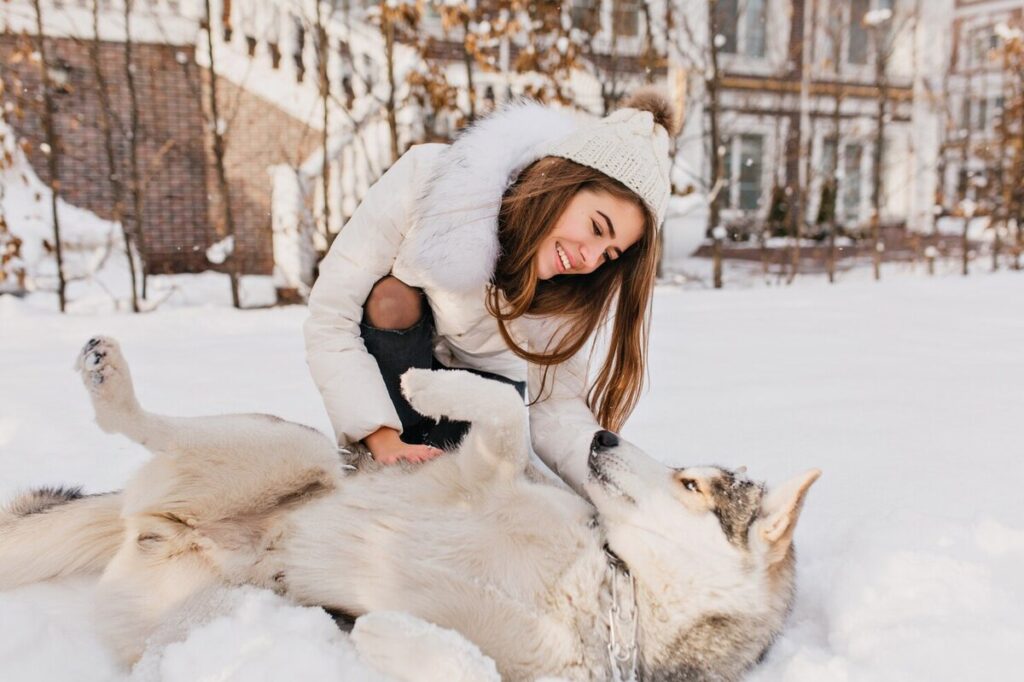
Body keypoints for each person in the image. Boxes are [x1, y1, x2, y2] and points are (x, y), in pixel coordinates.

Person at [304, 90, 676, 495]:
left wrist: (615, 486)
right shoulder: (432, 179)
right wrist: (378, 434)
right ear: (560, 182)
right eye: (596, 228)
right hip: (393, 389)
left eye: (609, 253)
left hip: (481, 402)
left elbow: (558, 410)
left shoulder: (573, 290)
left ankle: (440, 465)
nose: (589, 259)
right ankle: (384, 462)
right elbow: (331, 316)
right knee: (391, 297)